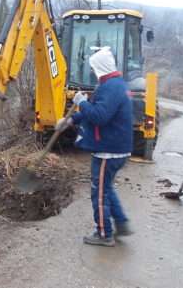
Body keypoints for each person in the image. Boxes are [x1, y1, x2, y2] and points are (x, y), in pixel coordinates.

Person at [56, 47, 133, 247]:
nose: (91, 71)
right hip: (115, 147)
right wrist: (71, 120)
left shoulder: (111, 88)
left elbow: (99, 116)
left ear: (99, 67)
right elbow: (95, 109)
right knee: (105, 188)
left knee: (98, 192)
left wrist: (80, 102)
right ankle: (122, 223)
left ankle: (103, 233)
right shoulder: (113, 85)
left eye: (93, 67)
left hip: (109, 150)